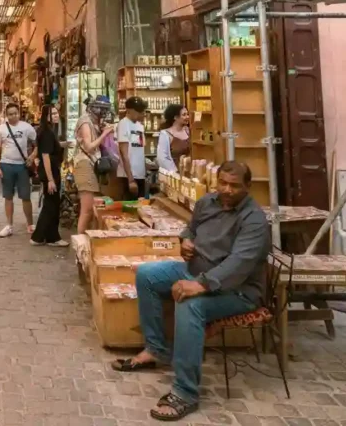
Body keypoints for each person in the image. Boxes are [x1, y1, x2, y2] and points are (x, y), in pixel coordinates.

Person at [113, 161, 270, 422]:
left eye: (235, 185)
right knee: (147, 275)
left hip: (238, 290)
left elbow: (239, 264)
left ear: (248, 187)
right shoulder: (207, 202)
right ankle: (156, 349)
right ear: (216, 182)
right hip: (196, 271)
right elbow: (191, 229)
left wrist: (200, 285)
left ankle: (186, 392)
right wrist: (186, 240)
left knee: (190, 304)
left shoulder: (253, 219)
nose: (227, 190)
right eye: (223, 183)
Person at [0, 102, 38, 237]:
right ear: (7, 115)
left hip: (22, 166)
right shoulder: (1, 129)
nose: (13, 116)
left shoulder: (27, 127)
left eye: (16, 113)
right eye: (10, 114)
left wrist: (32, 156)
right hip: (6, 165)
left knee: (26, 196)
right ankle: (9, 225)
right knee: (8, 196)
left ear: (19, 113)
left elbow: (38, 144)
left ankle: (30, 224)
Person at [74, 96, 114, 234]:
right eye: (102, 110)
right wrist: (105, 134)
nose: (104, 113)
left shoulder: (94, 122)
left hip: (90, 164)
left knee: (90, 210)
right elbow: (89, 146)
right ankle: (81, 243)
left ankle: (87, 240)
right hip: (84, 163)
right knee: (87, 210)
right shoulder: (85, 122)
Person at [31, 105, 68, 247]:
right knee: (50, 205)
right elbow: (45, 155)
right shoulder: (47, 132)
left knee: (52, 204)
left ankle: (51, 237)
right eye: (52, 114)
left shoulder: (48, 131)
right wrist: (51, 179)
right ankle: (39, 237)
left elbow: (48, 149)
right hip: (50, 172)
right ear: (45, 116)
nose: (55, 116)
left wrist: (64, 144)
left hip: (50, 171)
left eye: (56, 113)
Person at [116, 96, 148, 200]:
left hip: (140, 175)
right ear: (129, 110)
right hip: (128, 176)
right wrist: (130, 179)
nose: (141, 113)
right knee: (129, 209)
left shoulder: (140, 125)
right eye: (138, 111)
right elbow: (124, 154)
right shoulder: (123, 124)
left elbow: (140, 149)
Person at [157, 104, 191, 173]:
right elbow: (162, 158)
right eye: (184, 115)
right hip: (174, 174)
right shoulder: (165, 134)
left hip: (189, 173)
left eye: (187, 114)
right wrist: (175, 172)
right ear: (175, 117)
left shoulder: (188, 131)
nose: (187, 117)